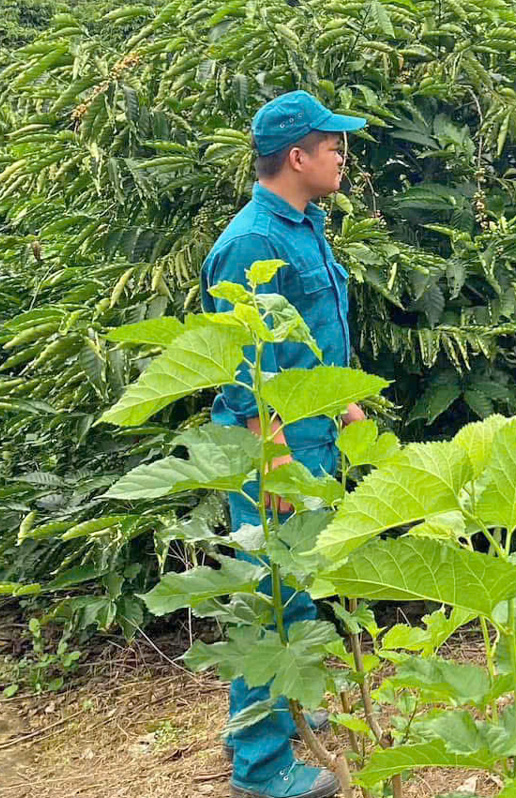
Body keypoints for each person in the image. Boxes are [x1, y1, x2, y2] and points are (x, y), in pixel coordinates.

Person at [202, 90, 369, 798]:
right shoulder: (249, 242)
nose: (342, 157)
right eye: (333, 147)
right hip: (266, 439)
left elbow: (308, 336)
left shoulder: (306, 223)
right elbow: (243, 362)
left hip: (312, 427)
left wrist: (347, 402)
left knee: (298, 589)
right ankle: (261, 765)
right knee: (268, 598)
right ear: (296, 156)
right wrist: (270, 452)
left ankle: (284, 704)